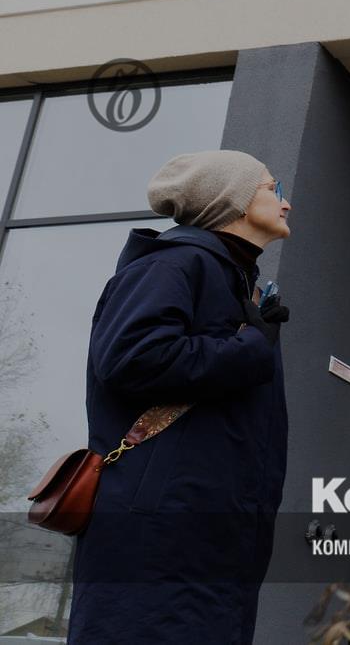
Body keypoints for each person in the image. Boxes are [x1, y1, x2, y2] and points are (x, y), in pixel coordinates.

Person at [68, 150, 293, 643]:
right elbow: (132, 357)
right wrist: (251, 347)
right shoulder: (172, 265)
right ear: (231, 199)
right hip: (159, 536)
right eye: (272, 188)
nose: (286, 202)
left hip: (208, 534)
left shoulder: (233, 280)